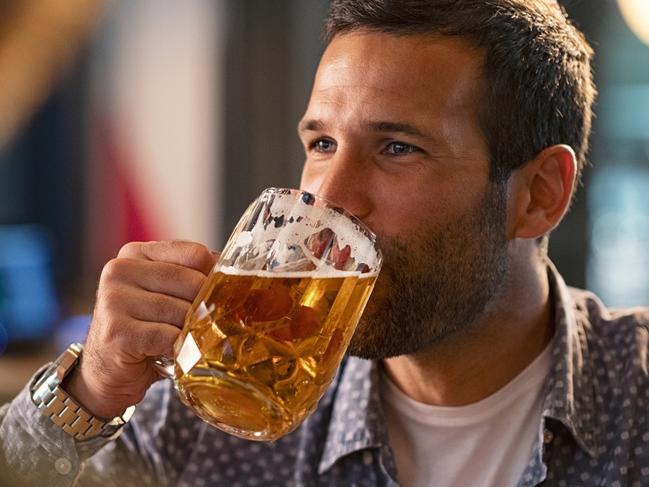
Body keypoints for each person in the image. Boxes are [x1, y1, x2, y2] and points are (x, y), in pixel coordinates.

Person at [2, 0, 648, 485]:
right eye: (321, 144)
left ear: (539, 194)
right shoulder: (202, 417)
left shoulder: (634, 399)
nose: (330, 197)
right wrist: (87, 393)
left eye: (397, 148)